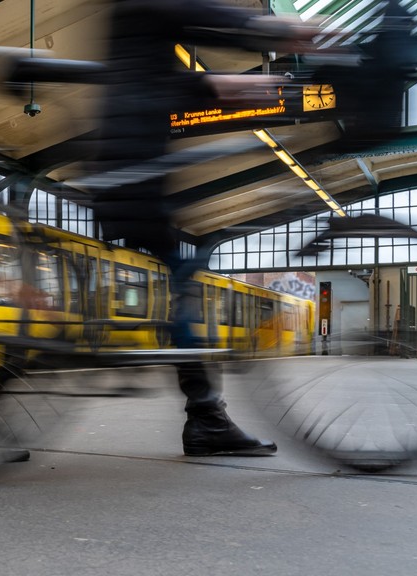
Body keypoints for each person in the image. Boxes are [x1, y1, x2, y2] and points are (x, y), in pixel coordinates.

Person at [88, 0, 326, 457]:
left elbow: (150, 73)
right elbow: (203, 21)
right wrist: (273, 29)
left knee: (182, 276)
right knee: (184, 286)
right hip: (131, 174)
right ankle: (206, 417)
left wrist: (218, 82)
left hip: (126, 167)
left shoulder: (135, 20)